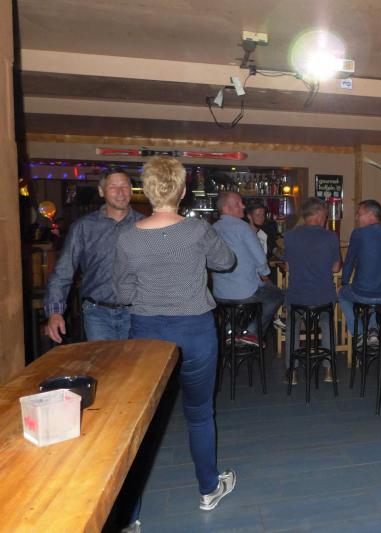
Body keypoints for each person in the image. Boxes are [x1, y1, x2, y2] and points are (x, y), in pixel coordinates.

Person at [113, 156, 237, 522]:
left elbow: (122, 293)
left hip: (146, 334)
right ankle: (209, 489)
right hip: (194, 330)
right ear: (182, 191)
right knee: (199, 413)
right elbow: (226, 261)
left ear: (147, 192)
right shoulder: (197, 230)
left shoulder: (127, 237)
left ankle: (129, 518)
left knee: (142, 423)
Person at [44, 169, 143, 343]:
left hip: (137, 313)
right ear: (101, 191)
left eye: (125, 186)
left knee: (136, 361)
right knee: (101, 361)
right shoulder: (84, 227)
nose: (120, 192)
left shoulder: (146, 225)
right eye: (113, 187)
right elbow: (63, 270)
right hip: (97, 314)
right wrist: (55, 312)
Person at [283, 197, 342, 384]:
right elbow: (336, 268)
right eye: (325, 214)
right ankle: (328, 371)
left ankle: (292, 372)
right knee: (326, 324)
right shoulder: (330, 237)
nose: (326, 218)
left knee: (292, 326)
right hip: (323, 297)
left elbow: (287, 266)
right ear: (317, 213)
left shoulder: (290, 236)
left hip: (297, 297)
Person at [212, 192, 284, 344]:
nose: (243, 206)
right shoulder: (243, 227)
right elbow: (260, 258)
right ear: (226, 208)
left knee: (241, 305)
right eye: (238, 203)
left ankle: (231, 331)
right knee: (276, 295)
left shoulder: (213, 228)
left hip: (219, 294)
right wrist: (265, 274)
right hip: (244, 292)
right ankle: (251, 332)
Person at [339, 199, 381, 345]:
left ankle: (359, 333)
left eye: (359, 214)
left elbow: (349, 263)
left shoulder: (358, 233)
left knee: (342, 294)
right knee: (373, 294)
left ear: (371, 214)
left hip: (363, 294)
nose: (356, 218)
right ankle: (373, 330)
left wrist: (344, 283)